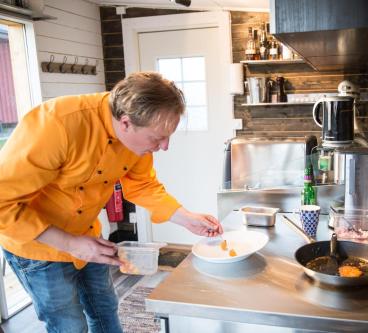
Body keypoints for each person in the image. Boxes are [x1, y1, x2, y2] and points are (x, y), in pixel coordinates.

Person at [0, 72, 223, 333]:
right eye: (157, 138)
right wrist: (70, 244)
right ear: (126, 123)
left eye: (168, 136)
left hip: (88, 237)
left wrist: (187, 218)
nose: (164, 147)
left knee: (105, 309)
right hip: (39, 248)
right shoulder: (56, 125)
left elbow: (142, 185)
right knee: (69, 326)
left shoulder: (137, 139)